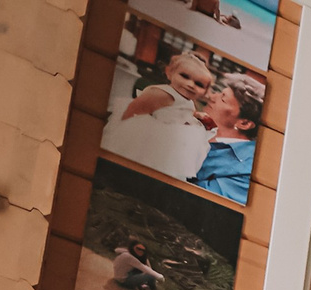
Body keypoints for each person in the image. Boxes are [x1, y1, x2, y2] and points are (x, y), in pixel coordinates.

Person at [107, 44, 214, 183]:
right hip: (149, 138)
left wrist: (196, 116)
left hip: (169, 145)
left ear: (205, 91)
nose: (190, 84)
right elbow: (131, 112)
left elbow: (183, 112)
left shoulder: (188, 100)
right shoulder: (162, 94)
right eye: (184, 76)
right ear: (170, 72)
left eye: (199, 84)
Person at [192, 71, 263, 204]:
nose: (212, 97)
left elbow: (198, 199)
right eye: (219, 93)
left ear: (244, 123)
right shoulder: (197, 127)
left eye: (223, 99)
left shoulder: (248, 168)